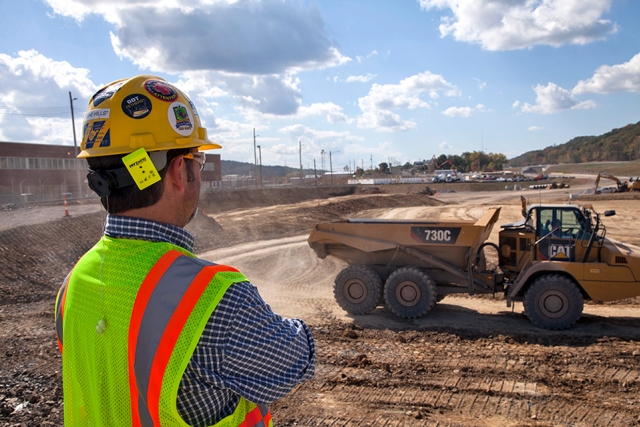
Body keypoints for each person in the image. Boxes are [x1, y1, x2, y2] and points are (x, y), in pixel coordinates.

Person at [54, 75, 315, 427]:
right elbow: (297, 361)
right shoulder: (213, 299)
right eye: (197, 160)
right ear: (179, 171)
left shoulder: (72, 287)